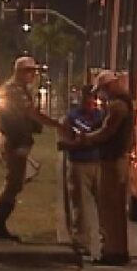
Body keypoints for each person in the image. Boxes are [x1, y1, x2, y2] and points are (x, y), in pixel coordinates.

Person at [0, 55, 65, 241]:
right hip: (15, 142)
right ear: (20, 72)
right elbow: (28, 115)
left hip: (17, 141)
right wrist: (56, 125)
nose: (33, 75)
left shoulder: (19, 89)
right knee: (13, 183)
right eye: (29, 71)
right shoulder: (15, 90)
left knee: (14, 182)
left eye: (34, 72)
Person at [60, 70, 134, 265]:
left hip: (112, 160)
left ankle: (111, 251)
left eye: (102, 90)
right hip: (117, 158)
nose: (101, 95)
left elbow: (106, 132)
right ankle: (117, 249)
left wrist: (86, 139)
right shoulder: (122, 102)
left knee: (109, 208)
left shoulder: (117, 106)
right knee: (115, 209)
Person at [60, 85, 104, 259]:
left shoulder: (101, 117)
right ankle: (81, 242)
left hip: (98, 163)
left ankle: (105, 244)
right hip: (78, 163)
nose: (90, 102)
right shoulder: (71, 118)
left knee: (104, 208)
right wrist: (77, 143)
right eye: (87, 98)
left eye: (93, 98)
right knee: (80, 207)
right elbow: (62, 142)